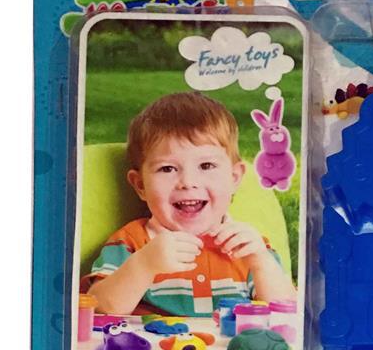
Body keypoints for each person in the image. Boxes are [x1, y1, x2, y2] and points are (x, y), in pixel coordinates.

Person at [83, 92, 295, 316]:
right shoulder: (132, 242)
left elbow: (288, 313)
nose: (188, 182)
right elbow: (98, 308)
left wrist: (261, 262)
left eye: (206, 166)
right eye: (167, 169)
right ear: (140, 185)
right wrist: (144, 265)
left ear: (233, 178)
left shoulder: (247, 246)